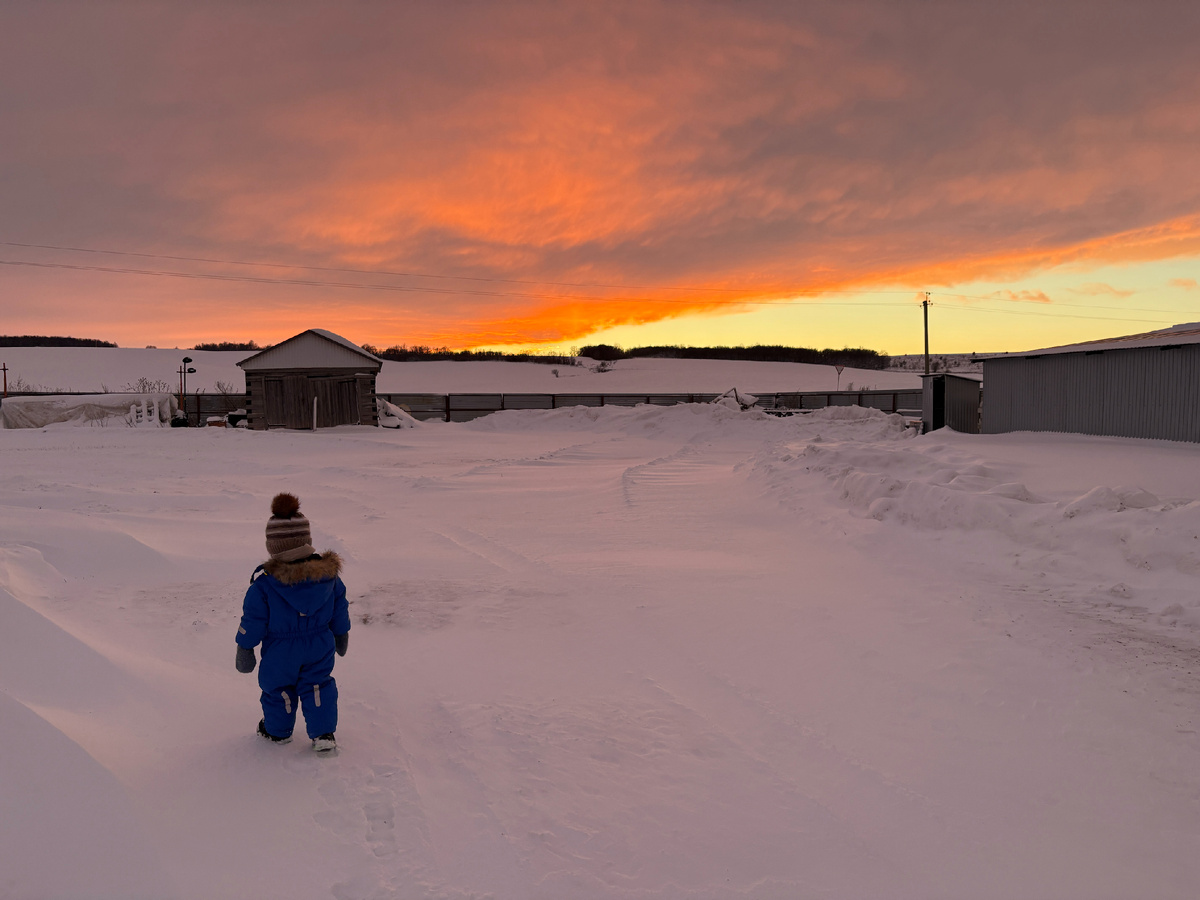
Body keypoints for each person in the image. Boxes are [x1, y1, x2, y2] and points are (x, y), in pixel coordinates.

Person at [235, 493, 350, 753]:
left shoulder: (264, 585)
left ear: (273, 546)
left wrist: (245, 647)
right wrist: (341, 633)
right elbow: (340, 607)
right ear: (307, 541)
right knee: (318, 684)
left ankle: (277, 732)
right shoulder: (329, 578)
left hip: (279, 650)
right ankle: (323, 734)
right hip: (319, 644)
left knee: (278, 688)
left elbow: (253, 619)